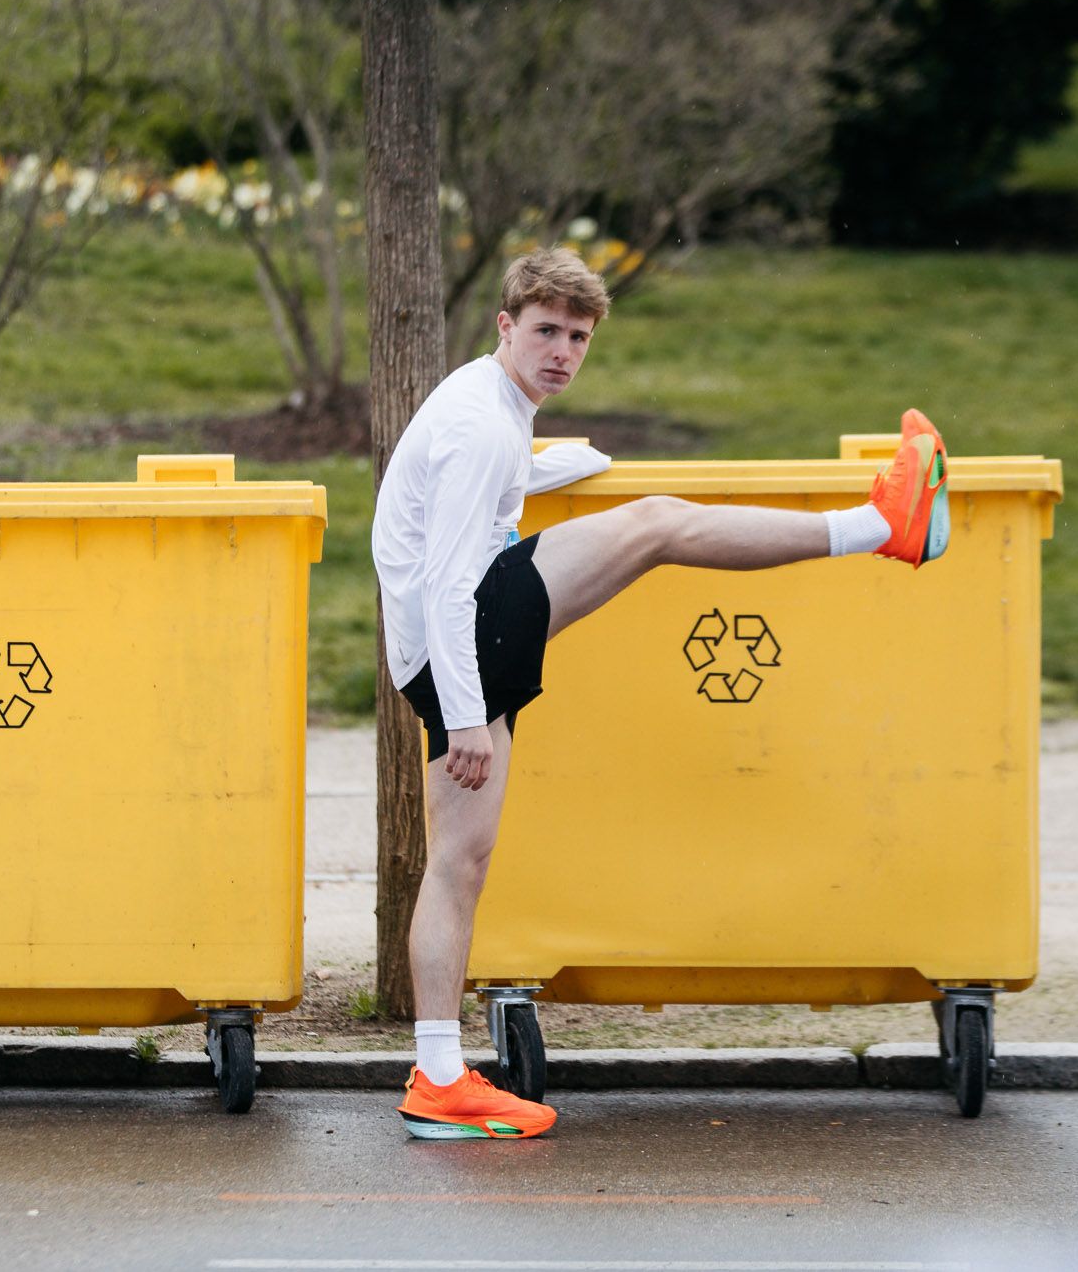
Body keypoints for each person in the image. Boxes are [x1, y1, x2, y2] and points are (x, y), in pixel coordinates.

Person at [370, 248, 949, 1140]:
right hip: (465, 631)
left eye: (578, 337)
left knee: (460, 861)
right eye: (546, 331)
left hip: (446, 642)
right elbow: (449, 581)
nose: (562, 352)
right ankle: (881, 524)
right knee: (658, 523)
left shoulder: (489, 407)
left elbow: (470, 499)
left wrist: (550, 466)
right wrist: (466, 716)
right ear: (505, 326)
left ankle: (438, 1076)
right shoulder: (483, 426)